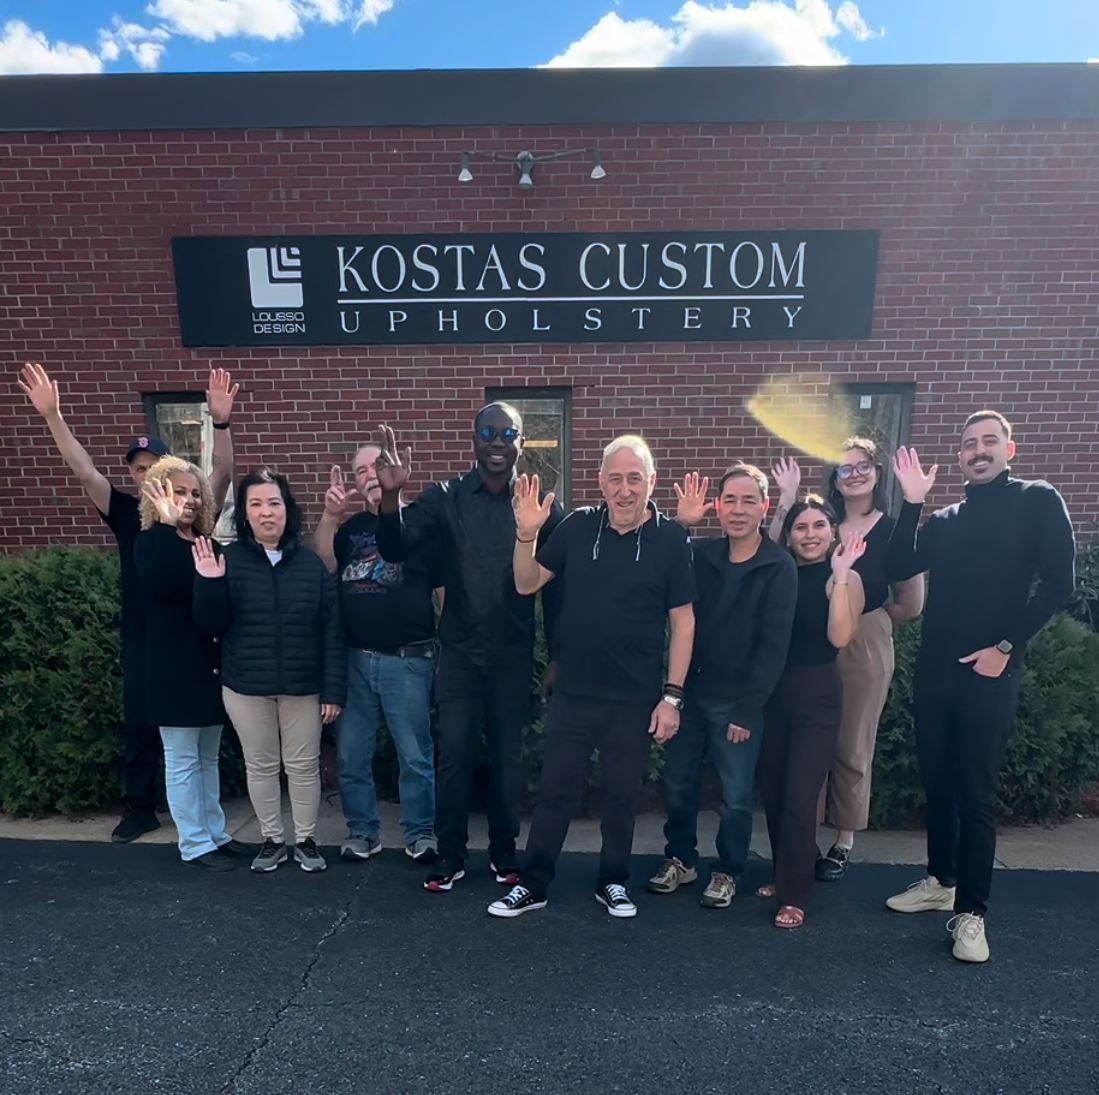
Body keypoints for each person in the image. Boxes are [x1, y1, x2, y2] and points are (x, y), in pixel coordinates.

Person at [18, 362, 237, 844]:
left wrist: (220, 422)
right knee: (142, 725)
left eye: (153, 468)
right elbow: (84, 469)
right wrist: (52, 416)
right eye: (138, 470)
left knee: (197, 748)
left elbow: (222, 474)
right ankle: (143, 809)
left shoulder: (195, 518)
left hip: (193, 640)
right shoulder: (126, 514)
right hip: (144, 637)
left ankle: (206, 829)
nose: (145, 477)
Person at [884, 411, 1075, 963]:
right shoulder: (947, 519)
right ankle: (941, 881)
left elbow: (1059, 584)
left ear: (1009, 449)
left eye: (990, 441)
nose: (979, 450)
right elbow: (899, 563)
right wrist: (912, 501)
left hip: (991, 672)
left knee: (975, 792)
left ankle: (972, 913)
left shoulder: (1037, 500)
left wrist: (1006, 647)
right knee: (938, 784)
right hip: (936, 672)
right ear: (961, 457)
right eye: (969, 444)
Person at [488, 435, 696, 920]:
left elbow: (684, 623)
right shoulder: (579, 526)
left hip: (634, 699)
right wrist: (526, 534)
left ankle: (613, 881)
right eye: (615, 479)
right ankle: (533, 883)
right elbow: (525, 583)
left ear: (651, 481)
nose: (625, 489)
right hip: (574, 694)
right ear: (601, 482)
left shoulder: (670, 540)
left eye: (634, 478)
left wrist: (672, 697)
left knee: (621, 797)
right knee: (554, 794)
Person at [374, 404, 563, 893]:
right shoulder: (444, 498)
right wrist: (391, 495)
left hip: (511, 656)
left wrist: (557, 655)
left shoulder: (539, 506)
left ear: (521, 442)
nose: (497, 441)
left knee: (507, 761)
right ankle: (450, 855)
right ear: (474, 439)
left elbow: (557, 589)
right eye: (487, 432)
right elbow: (395, 547)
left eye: (508, 433)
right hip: (458, 654)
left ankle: (504, 854)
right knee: (454, 758)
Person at [769, 442, 924, 881]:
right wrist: (786, 498)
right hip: (809, 641)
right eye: (844, 468)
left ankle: (844, 840)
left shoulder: (891, 529)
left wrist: (869, 619)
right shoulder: (820, 521)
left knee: (852, 742)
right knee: (808, 743)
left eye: (862, 466)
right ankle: (805, 839)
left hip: (863, 638)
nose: (854, 474)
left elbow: (911, 601)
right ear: (834, 478)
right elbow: (775, 551)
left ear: (877, 473)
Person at [646, 464, 797, 908]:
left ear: (764, 507)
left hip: (738, 703)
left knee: (735, 795)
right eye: (729, 499)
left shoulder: (778, 566)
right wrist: (680, 524)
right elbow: (660, 559)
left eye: (749, 501)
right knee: (679, 783)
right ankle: (681, 859)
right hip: (689, 695)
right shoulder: (701, 553)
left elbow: (773, 647)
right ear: (717, 505)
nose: (738, 509)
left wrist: (748, 710)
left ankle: (729, 870)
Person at [193, 469, 346, 874]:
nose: (266, 512)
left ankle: (306, 840)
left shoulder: (311, 565)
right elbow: (210, 624)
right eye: (256, 504)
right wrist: (209, 583)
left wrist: (333, 691)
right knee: (260, 765)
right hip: (246, 686)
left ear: (287, 509)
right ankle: (272, 840)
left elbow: (332, 631)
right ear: (244, 513)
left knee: (303, 766)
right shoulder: (228, 561)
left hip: (303, 686)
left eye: (274, 503)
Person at [315, 445, 443, 865]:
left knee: (415, 754)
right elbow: (323, 563)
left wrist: (448, 649)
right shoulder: (350, 529)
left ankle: (420, 832)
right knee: (352, 755)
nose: (370, 474)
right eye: (361, 470)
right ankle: (362, 831)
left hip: (407, 660)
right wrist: (330, 516)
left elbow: (444, 591)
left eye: (378, 466)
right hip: (354, 659)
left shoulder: (420, 523)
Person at [134, 457, 249, 871]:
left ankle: (215, 834)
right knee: (182, 760)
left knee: (207, 759)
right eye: (179, 491)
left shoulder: (208, 545)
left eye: (196, 493)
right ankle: (195, 843)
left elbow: (217, 609)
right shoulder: (151, 542)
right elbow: (161, 582)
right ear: (158, 495)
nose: (189, 499)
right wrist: (167, 527)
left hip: (209, 667)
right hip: (172, 670)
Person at [755, 497, 865, 929]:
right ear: (789, 534)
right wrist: (783, 499)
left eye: (819, 525)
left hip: (816, 693)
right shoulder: (777, 571)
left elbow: (839, 636)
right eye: (801, 527)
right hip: (772, 691)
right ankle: (783, 873)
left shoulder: (845, 576)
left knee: (802, 796)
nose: (810, 534)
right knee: (775, 791)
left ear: (832, 531)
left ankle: (795, 894)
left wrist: (840, 574)